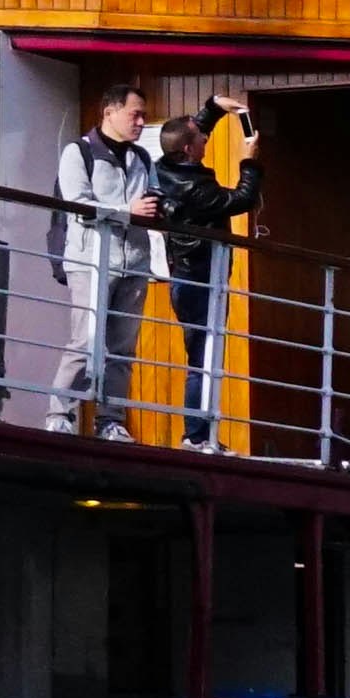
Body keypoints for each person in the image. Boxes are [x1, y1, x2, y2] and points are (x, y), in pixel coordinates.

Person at [51, 84, 165, 435]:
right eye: (135, 114)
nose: (141, 122)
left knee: (122, 348)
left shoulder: (141, 158)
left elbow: (154, 194)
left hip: (135, 261)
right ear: (109, 112)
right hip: (90, 260)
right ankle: (60, 415)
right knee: (84, 340)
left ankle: (110, 421)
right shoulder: (78, 153)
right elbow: (78, 204)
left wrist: (157, 209)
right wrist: (128, 211)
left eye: (144, 115)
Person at [151, 83, 257, 448]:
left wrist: (214, 106)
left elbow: (196, 127)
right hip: (198, 279)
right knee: (203, 357)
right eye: (201, 139)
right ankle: (196, 436)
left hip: (192, 275)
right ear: (187, 149)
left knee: (205, 354)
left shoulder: (167, 167)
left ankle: (201, 433)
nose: (206, 140)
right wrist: (249, 160)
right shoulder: (192, 189)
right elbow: (242, 199)